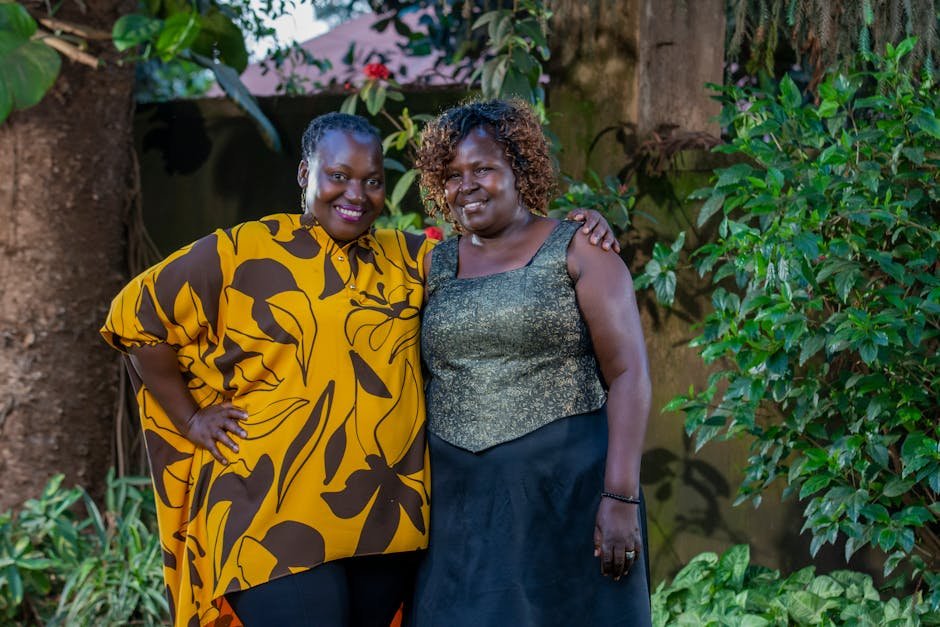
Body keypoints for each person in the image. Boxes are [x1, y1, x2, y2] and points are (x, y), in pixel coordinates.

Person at [100, 111, 618, 627]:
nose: (357, 194)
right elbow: (137, 317)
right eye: (339, 176)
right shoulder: (242, 251)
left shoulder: (412, 258)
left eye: (372, 181)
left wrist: (575, 229)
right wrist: (192, 419)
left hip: (385, 520)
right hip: (268, 512)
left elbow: (502, 256)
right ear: (305, 174)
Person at [409, 99, 653, 626]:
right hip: (459, 507)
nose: (467, 185)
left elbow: (629, 374)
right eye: (451, 175)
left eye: (483, 169)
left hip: (566, 497)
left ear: (519, 169)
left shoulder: (582, 249)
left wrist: (620, 496)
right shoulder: (431, 263)